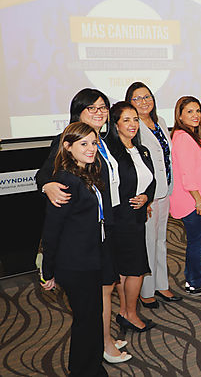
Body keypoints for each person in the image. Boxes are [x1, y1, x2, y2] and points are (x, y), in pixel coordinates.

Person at [35, 88, 126, 362]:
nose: (99, 112)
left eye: (103, 107)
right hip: (83, 241)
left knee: (104, 291)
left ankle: (104, 341)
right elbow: (45, 173)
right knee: (93, 302)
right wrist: (48, 185)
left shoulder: (106, 140)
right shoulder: (72, 140)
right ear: (79, 112)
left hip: (104, 228)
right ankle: (102, 346)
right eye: (92, 108)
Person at [125, 82, 181, 309]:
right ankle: (146, 290)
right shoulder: (132, 127)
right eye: (137, 98)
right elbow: (133, 163)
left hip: (165, 188)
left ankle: (161, 284)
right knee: (147, 241)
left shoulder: (161, 122)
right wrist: (143, 195)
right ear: (129, 102)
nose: (144, 101)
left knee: (161, 240)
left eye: (147, 96)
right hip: (147, 194)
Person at [104, 102, 156, 333]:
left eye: (135, 119)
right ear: (115, 124)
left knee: (128, 269)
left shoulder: (141, 150)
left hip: (137, 217)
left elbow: (151, 181)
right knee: (132, 269)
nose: (133, 124)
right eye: (126, 120)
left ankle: (125, 312)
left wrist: (146, 197)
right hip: (120, 218)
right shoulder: (109, 152)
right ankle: (131, 314)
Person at [169, 96, 201, 296]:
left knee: (195, 241)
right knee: (196, 243)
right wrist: (198, 200)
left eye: (197, 110)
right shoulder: (182, 137)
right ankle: (195, 282)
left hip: (198, 197)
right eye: (189, 111)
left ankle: (193, 279)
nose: (195, 115)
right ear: (179, 115)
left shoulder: (191, 135)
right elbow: (186, 173)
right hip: (193, 201)